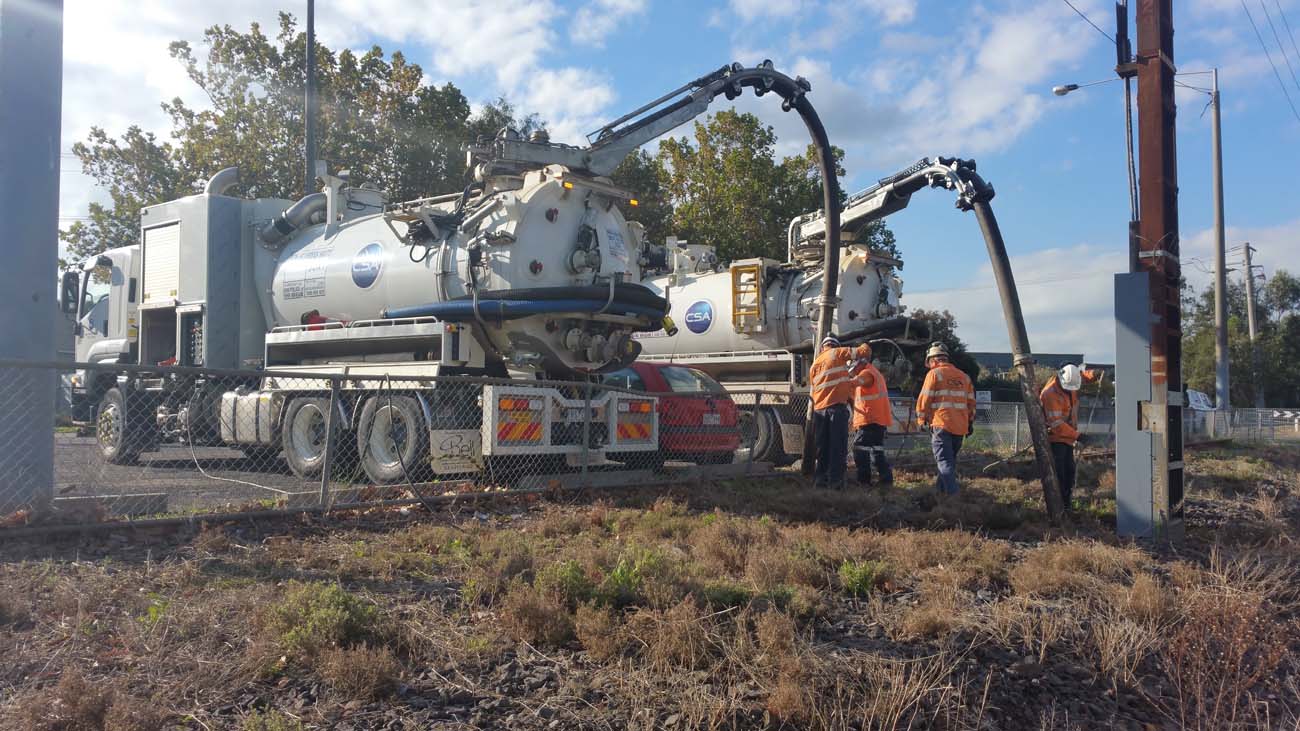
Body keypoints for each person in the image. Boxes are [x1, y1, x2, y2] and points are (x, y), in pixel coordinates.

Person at [915, 342, 975, 495]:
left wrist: (921, 419)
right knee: (949, 463)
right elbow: (971, 403)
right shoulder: (964, 377)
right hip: (960, 427)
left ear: (933, 360)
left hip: (941, 424)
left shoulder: (934, 374)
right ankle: (940, 494)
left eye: (929, 363)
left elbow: (925, 399)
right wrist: (970, 423)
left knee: (944, 463)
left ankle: (953, 499)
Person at [1040, 363, 1102, 510]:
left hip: (1067, 438)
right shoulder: (1049, 394)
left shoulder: (1070, 377)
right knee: (1060, 474)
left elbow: (1081, 375)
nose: (1071, 390)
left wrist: (1094, 374)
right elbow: (1057, 425)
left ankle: (1066, 503)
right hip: (1055, 439)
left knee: (1069, 471)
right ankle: (1059, 505)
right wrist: (1078, 436)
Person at [808, 335, 864, 489]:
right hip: (835, 409)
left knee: (822, 447)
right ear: (835, 345)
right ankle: (836, 482)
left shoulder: (815, 364)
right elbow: (860, 352)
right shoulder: (837, 353)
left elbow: (814, 388)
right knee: (837, 446)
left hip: (819, 411)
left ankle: (820, 479)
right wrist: (865, 345)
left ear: (822, 347)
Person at [851, 351, 893, 486]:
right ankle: (886, 480)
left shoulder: (867, 374)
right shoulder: (876, 373)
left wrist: (839, 380)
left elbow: (855, 382)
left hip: (869, 419)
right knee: (877, 450)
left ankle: (864, 481)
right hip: (878, 420)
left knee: (860, 449)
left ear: (860, 363)